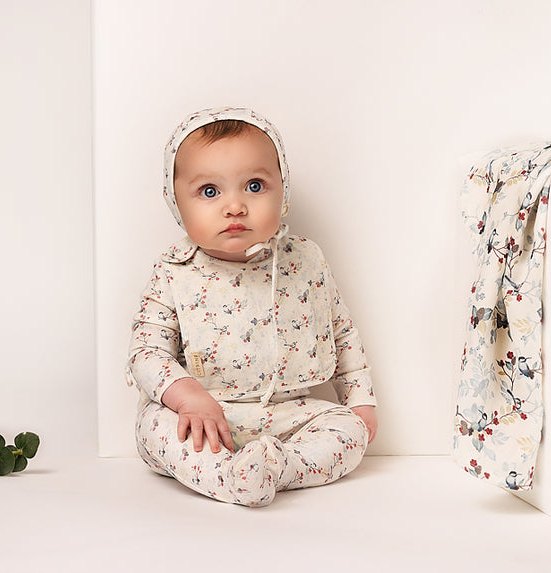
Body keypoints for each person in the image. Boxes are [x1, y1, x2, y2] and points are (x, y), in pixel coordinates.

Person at [126, 107, 378, 507]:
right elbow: (146, 352)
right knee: (154, 427)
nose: (235, 206)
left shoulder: (304, 261)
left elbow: (341, 332)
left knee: (348, 430)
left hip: (288, 413)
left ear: (284, 190)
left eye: (255, 186)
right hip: (204, 415)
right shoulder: (174, 271)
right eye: (210, 191)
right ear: (176, 203)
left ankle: (281, 466)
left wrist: (359, 399)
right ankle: (227, 477)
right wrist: (187, 396)